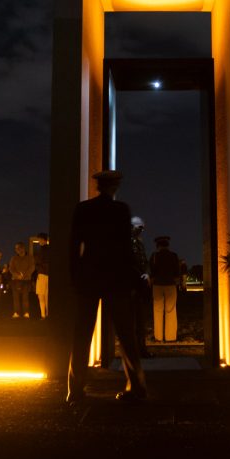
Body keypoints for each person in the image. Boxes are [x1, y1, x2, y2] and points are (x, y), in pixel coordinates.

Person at [67, 170, 147, 404]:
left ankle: (75, 390)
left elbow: (74, 245)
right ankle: (137, 387)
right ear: (114, 187)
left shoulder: (83, 209)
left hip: (88, 276)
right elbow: (125, 248)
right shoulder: (121, 210)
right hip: (116, 277)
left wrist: (75, 276)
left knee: (81, 335)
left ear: (98, 186)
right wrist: (133, 278)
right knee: (126, 335)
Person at [149, 235, 182, 343]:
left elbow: (151, 271)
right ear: (167, 245)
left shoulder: (154, 256)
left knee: (158, 310)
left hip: (157, 285)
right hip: (170, 285)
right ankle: (170, 337)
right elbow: (177, 271)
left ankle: (158, 337)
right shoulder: (173, 255)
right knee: (171, 310)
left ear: (158, 245)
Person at [130, 216, 153, 358]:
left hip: (140, 285)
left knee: (140, 320)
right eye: (139, 228)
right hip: (132, 285)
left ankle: (141, 348)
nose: (141, 231)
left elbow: (145, 261)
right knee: (133, 321)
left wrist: (147, 274)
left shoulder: (139, 243)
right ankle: (136, 350)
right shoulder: (128, 243)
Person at [9, 240, 35, 318]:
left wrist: (25, 275)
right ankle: (16, 312)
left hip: (26, 280)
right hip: (15, 280)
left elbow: (32, 267)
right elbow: (11, 268)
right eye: (16, 249)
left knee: (25, 297)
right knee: (16, 297)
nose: (16, 250)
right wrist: (16, 275)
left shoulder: (30, 257)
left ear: (23, 248)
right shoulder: (13, 258)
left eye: (18, 248)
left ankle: (26, 312)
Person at [34, 233, 50, 319]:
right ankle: (47, 314)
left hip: (42, 273)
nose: (39, 241)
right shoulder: (50, 249)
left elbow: (38, 262)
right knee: (47, 296)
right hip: (47, 274)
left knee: (41, 295)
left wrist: (38, 266)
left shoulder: (41, 250)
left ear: (44, 240)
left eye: (40, 239)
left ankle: (43, 314)